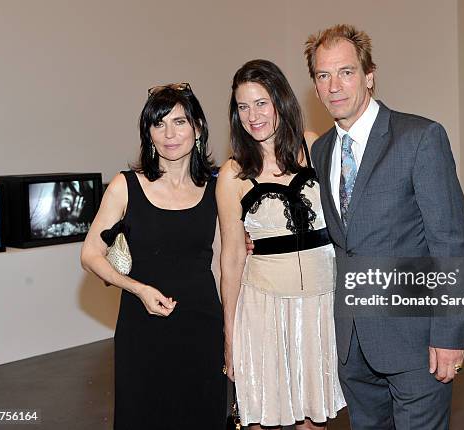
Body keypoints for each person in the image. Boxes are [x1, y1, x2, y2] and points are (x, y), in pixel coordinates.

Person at [303, 24, 464, 429]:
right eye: (323, 76)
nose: (334, 86)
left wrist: (450, 336)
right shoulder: (323, 149)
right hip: (353, 345)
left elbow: (450, 242)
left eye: (346, 72)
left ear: (369, 76)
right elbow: (340, 238)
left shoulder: (419, 138)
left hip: (416, 342)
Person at [80, 83, 226, 429]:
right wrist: (137, 288)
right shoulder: (126, 185)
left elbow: (222, 264)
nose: (169, 134)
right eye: (158, 124)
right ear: (148, 133)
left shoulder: (217, 189)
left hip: (203, 328)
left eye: (179, 122)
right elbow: (90, 254)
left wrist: (231, 331)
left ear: (198, 128)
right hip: (143, 330)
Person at [217, 59, 346, 430]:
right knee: (263, 416)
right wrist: (230, 335)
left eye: (261, 103)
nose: (252, 115)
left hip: (321, 305)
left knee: (314, 419)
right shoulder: (232, 174)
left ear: (281, 101)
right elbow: (230, 258)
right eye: (243, 106)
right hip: (263, 307)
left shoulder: (315, 146)